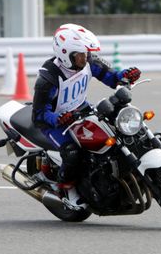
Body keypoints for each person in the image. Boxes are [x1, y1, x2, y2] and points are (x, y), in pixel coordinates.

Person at [31, 23, 141, 209]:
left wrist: (126, 76)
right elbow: (39, 114)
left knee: (116, 128)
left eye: (87, 53)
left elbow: (112, 78)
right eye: (81, 54)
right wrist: (59, 119)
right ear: (66, 54)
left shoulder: (89, 62)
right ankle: (66, 188)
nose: (86, 57)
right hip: (55, 123)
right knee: (72, 152)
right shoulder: (48, 78)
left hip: (81, 109)